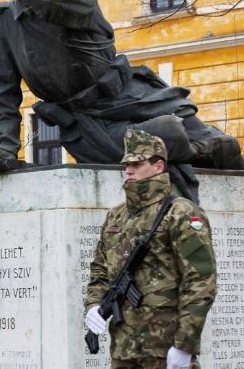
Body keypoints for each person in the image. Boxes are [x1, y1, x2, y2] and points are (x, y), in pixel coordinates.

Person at [0, 0, 244, 179]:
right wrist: (5, 147)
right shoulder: (7, 20)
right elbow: (3, 90)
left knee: (214, 147)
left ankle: (210, 148)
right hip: (83, 126)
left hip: (129, 98)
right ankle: (192, 148)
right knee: (156, 142)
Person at [85, 129, 216, 368]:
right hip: (123, 350)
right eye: (127, 164)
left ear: (158, 166)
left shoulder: (181, 213)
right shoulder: (116, 216)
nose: (129, 170)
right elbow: (100, 271)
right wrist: (94, 306)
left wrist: (184, 345)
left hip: (164, 350)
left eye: (137, 163)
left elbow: (200, 282)